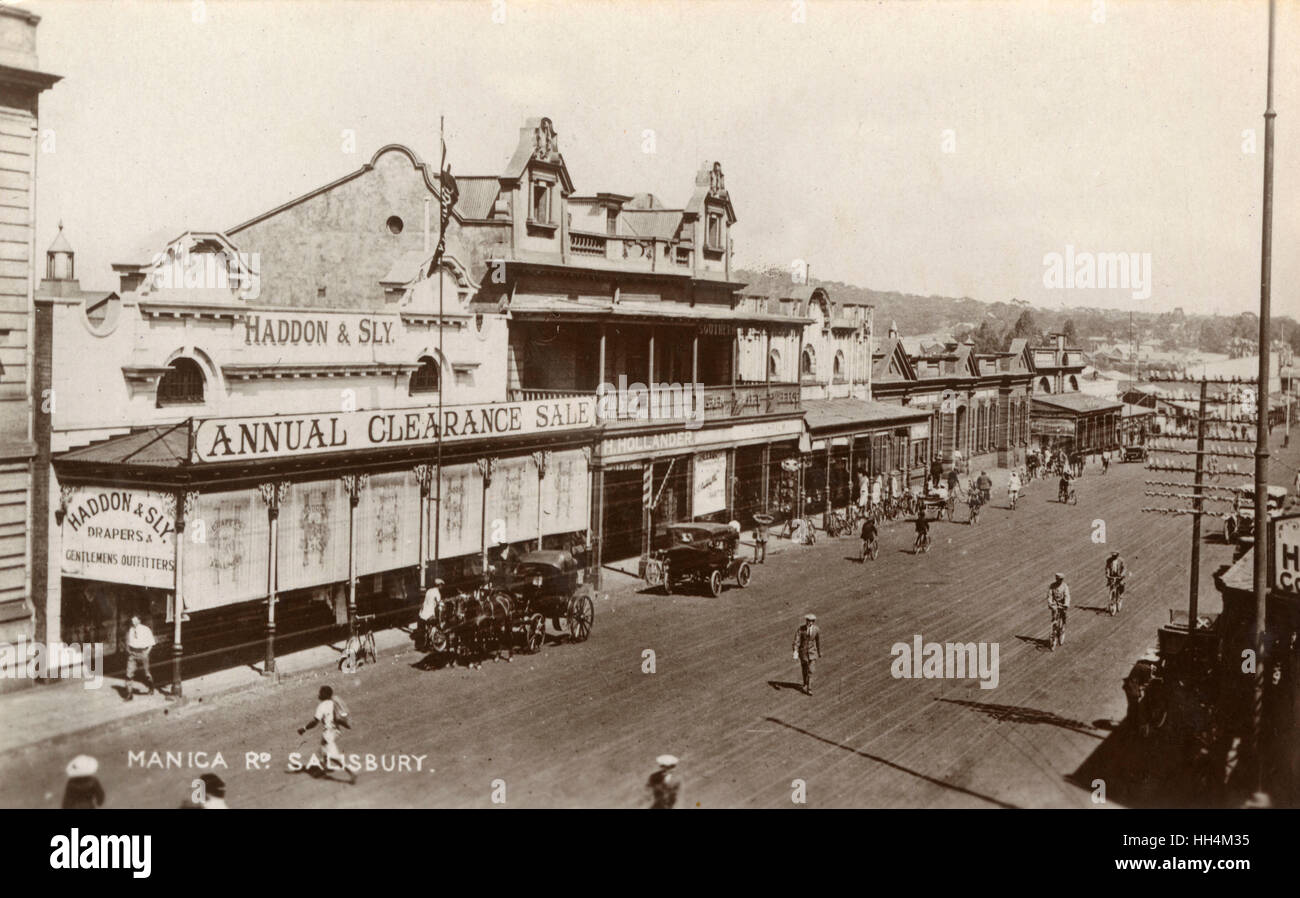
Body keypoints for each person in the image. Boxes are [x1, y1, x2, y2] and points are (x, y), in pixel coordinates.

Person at [298, 685, 357, 783]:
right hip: (335, 731)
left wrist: (304, 729)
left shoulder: (322, 706)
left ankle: (351, 772)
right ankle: (324, 769)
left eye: (321, 693)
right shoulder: (333, 702)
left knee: (333, 755)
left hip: (329, 734)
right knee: (323, 749)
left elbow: (315, 722)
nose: (319, 694)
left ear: (324, 694)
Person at [124, 613, 156, 700]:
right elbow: (128, 642)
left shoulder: (145, 630)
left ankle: (151, 686)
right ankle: (129, 694)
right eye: (132, 620)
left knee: (146, 673)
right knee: (129, 673)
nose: (133, 622)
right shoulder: (130, 630)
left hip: (143, 652)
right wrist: (130, 652)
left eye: (135, 620)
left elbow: (151, 643)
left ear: (139, 620)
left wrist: (146, 653)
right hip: (133, 653)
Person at [792, 613, 821, 696]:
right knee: (804, 669)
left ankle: (809, 688)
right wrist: (795, 651)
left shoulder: (816, 629)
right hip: (803, 653)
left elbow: (818, 641)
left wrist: (819, 652)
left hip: (813, 652)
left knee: (811, 670)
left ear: (814, 622)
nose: (810, 622)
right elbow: (796, 641)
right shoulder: (801, 629)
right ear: (806, 621)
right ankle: (805, 683)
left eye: (812, 621)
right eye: (808, 621)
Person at [1047, 573, 1071, 647]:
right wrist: (1050, 603)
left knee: (1063, 616)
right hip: (1055, 604)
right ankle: (1053, 631)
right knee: (1054, 618)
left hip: (1062, 604)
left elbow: (1067, 596)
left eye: (1061, 579)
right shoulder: (1052, 586)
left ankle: (1062, 629)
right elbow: (1049, 595)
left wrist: (1066, 604)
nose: (1059, 581)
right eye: (1058, 579)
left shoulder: (1065, 586)